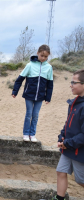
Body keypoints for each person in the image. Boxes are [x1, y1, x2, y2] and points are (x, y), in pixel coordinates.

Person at [52, 69, 84, 200]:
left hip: (79, 151)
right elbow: (68, 124)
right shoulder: (74, 103)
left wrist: (67, 143)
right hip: (68, 147)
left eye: (74, 82)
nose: (71, 85)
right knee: (61, 171)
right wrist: (62, 137)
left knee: (81, 180)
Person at [12, 44, 53, 142]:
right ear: (37, 53)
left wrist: (48, 97)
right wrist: (15, 91)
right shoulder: (30, 65)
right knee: (29, 114)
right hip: (29, 95)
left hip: (40, 96)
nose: (43, 58)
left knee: (35, 115)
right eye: (42, 55)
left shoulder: (49, 67)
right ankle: (26, 133)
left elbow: (50, 84)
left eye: (46, 56)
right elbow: (19, 79)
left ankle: (32, 134)